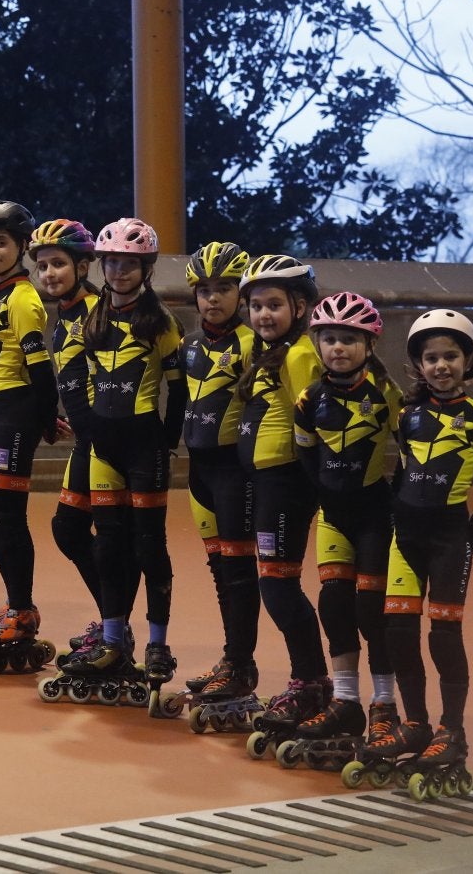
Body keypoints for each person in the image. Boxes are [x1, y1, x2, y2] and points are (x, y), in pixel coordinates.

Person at [366, 309, 473, 789]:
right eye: (431, 358)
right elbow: (401, 474)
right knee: (398, 633)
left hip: (449, 540)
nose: (441, 365)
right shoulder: (406, 415)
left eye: (451, 356)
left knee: (443, 636)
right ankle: (417, 724)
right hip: (406, 539)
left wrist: (469, 540)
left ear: (469, 362)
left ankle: (452, 730)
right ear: (418, 365)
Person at [55, 217, 186, 689]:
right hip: (102, 449)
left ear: (146, 268)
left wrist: (166, 443)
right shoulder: (92, 316)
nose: (118, 271)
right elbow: (79, 379)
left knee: (149, 545)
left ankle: (158, 645)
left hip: (144, 447)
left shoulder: (161, 321)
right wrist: (90, 432)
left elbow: (179, 391)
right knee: (109, 545)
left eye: (129, 264)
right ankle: (113, 641)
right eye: (111, 262)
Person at [292, 291, 401, 745]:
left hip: (375, 515)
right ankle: (346, 701)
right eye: (330, 339)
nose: (338, 348)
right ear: (318, 344)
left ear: (370, 345)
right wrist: (322, 495)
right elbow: (304, 453)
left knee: (372, 611)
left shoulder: (386, 394)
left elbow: (412, 452)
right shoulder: (309, 398)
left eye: (349, 340)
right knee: (334, 605)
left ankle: (385, 704)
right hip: (333, 516)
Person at [233, 254, 329, 735]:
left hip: (287, 483)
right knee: (275, 584)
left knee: (278, 586)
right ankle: (310, 679)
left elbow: (316, 425)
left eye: (274, 305)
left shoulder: (298, 355)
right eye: (255, 306)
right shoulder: (269, 350)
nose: (263, 315)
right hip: (268, 482)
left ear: (301, 307)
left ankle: (311, 681)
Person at [0, 200, 59, 659]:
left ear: (22, 246)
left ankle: (23, 610)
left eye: (1, 243)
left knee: (6, 516)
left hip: (12, 414)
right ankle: (13, 604)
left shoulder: (22, 298)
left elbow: (40, 369)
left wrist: (45, 418)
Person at [176, 241, 261, 704]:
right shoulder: (189, 344)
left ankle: (241, 665)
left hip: (234, 472)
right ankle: (233, 660)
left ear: (241, 294)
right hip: (199, 472)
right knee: (219, 569)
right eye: (205, 289)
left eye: (224, 288)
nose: (213, 298)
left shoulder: (253, 345)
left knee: (239, 570)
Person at [29, 220, 102, 648]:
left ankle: (117, 629)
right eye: (42, 266)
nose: (49, 273)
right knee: (68, 530)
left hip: (107, 446)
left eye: (58, 263)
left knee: (100, 536)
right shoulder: (66, 312)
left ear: (83, 265)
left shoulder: (98, 310)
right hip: (85, 441)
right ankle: (114, 622)